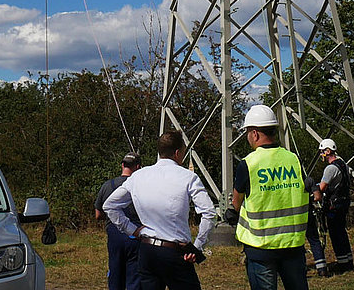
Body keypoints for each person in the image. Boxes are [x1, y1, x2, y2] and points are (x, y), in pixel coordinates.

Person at [103, 131, 215, 290]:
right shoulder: (188, 177)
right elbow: (209, 213)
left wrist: (132, 230)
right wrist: (197, 246)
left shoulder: (138, 176)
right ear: (177, 153)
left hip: (147, 250)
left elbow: (110, 206)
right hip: (175, 252)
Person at [228, 104, 309, 290]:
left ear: (254, 134)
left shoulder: (248, 164)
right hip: (292, 245)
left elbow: (236, 202)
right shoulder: (293, 160)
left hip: (260, 247)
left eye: (248, 132)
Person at [95, 152, 142, 290]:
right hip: (135, 233)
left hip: (114, 234)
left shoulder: (107, 185)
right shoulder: (140, 186)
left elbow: (98, 215)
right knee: (134, 275)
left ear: (122, 165)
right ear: (138, 167)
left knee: (115, 272)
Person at [315, 138, 354, 273]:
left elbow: (322, 187)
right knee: (342, 233)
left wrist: (313, 189)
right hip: (343, 203)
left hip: (334, 206)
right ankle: (348, 261)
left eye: (322, 151)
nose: (321, 154)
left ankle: (342, 263)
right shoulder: (344, 165)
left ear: (328, 151)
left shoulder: (330, 168)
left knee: (336, 234)